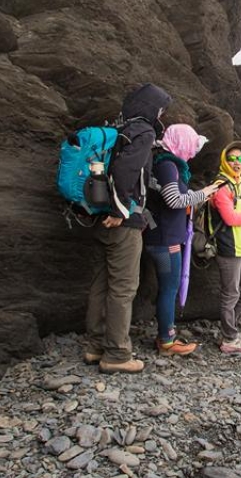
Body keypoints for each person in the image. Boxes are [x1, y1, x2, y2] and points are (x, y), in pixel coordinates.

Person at [84, 83, 171, 374]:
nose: (161, 115)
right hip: (122, 222)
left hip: (97, 218)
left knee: (100, 285)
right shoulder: (143, 132)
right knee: (123, 289)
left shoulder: (120, 129)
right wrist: (120, 211)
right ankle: (117, 355)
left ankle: (95, 347)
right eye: (160, 109)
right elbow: (125, 172)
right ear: (150, 108)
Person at [144, 124, 221, 356]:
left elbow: (172, 196)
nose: (194, 150)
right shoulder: (168, 166)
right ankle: (167, 341)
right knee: (169, 288)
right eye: (193, 144)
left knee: (167, 288)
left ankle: (166, 334)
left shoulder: (163, 162)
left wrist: (196, 195)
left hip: (160, 236)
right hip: (165, 239)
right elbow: (174, 200)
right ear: (181, 142)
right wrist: (204, 194)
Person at [210, 140, 241, 354]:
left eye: (240, 158)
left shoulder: (239, 183)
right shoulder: (222, 187)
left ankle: (229, 330)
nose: (236, 162)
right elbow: (230, 219)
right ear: (224, 160)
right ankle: (229, 338)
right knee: (231, 294)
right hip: (229, 248)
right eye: (231, 158)